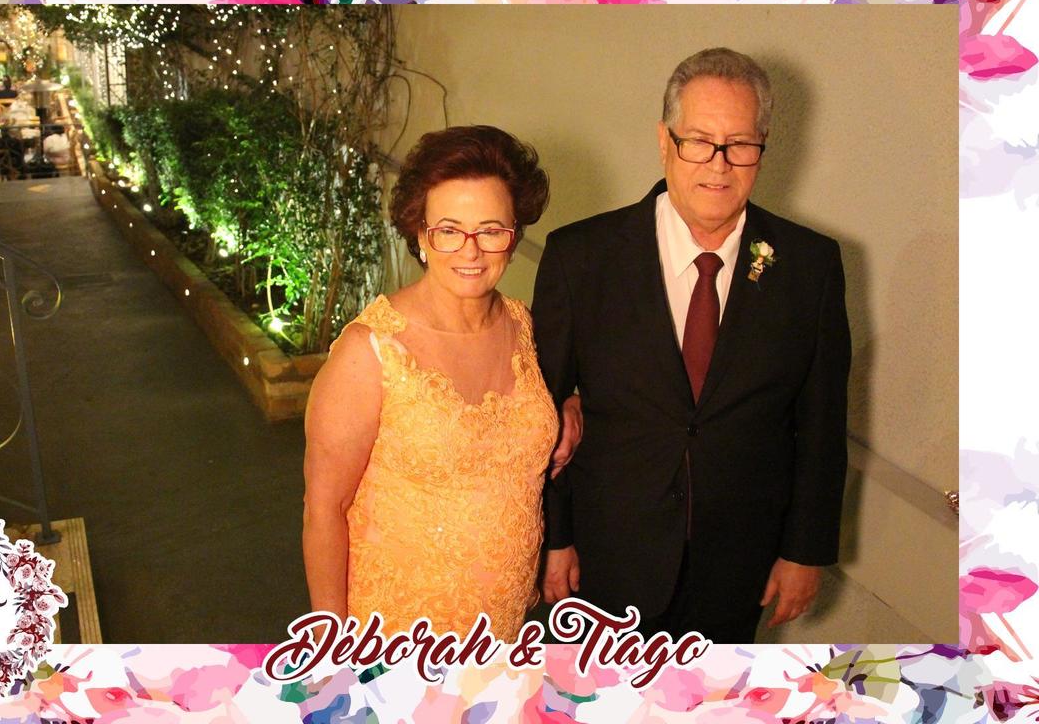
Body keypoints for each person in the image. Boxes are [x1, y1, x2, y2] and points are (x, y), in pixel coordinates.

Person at [533, 47, 851, 643]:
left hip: (737, 568)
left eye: (740, 144)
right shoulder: (581, 257)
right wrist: (555, 536)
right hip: (606, 560)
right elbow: (543, 413)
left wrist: (805, 551)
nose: (719, 165)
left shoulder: (810, 266)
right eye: (699, 142)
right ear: (665, 141)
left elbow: (821, 424)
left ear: (763, 148)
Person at [303, 125, 579, 640]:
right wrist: (330, 646)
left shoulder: (524, 327)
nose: (470, 251)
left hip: (504, 626)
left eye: (490, 230)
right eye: (449, 230)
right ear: (420, 235)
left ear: (514, 235)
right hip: (392, 634)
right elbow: (324, 510)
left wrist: (570, 408)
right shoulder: (371, 351)